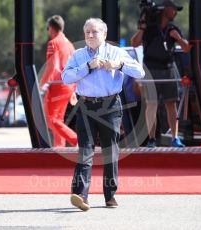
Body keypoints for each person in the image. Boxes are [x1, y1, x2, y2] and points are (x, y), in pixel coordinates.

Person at [62, 18, 144, 211]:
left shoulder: (117, 52)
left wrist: (119, 65)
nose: (90, 35)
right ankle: (81, 195)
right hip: (86, 106)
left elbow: (140, 72)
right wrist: (88, 67)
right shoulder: (78, 55)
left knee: (111, 151)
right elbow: (65, 77)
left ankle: (110, 195)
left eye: (94, 32)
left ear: (104, 34)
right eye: (87, 32)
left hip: (111, 106)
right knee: (85, 150)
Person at [131, 0, 190, 148]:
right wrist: (142, 28)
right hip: (151, 70)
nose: (175, 12)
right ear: (166, 10)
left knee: (171, 104)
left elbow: (186, 49)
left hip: (168, 69)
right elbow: (134, 43)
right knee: (151, 105)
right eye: (174, 9)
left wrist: (178, 38)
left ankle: (175, 138)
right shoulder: (150, 28)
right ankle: (151, 139)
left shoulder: (173, 28)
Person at [40, 15, 77, 147]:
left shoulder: (53, 43)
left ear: (51, 28)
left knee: (51, 119)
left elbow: (51, 67)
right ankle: (60, 148)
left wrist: (42, 85)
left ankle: (76, 139)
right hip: (68, 86)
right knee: (58, 119)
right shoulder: (70, 45)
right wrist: (74, 88)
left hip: (57, 86)